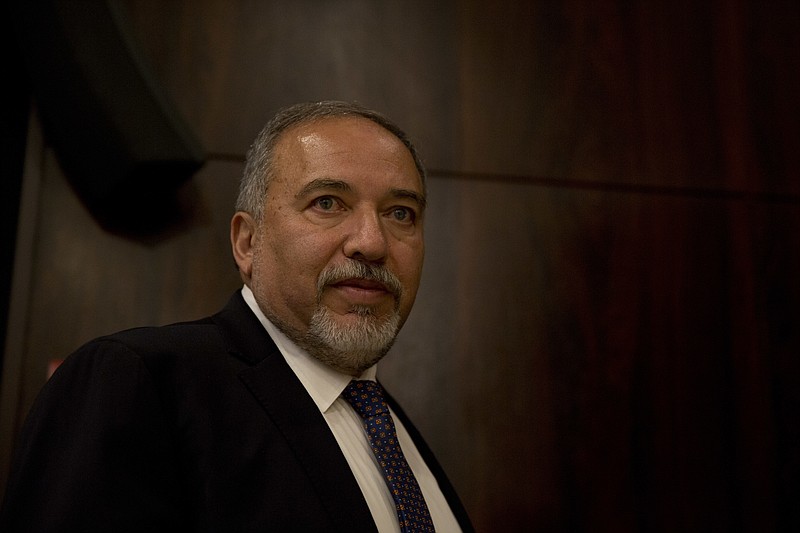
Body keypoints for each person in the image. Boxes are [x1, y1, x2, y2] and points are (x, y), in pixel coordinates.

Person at [0, 101, 473, 532]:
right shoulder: (136, 383)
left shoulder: (384, 423)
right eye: (327, 203)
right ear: (248, 243)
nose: (371, 241)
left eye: (401, 213)